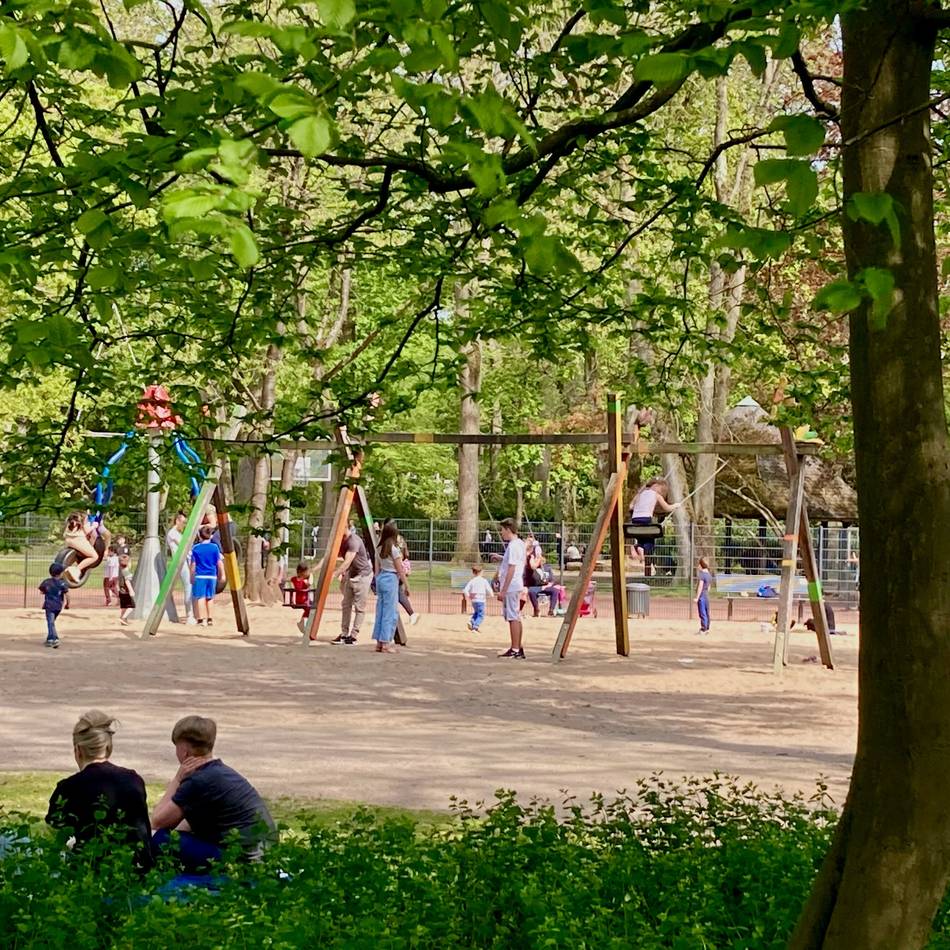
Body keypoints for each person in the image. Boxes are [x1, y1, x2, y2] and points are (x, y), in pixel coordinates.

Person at [151, 715, 276, 871]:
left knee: (159, 839)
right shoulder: (219, 772)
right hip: (266, 853)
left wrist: (177, 779)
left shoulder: (198, 780)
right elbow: (188, 822)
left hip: (244, 859)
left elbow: (157, 822)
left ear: (184, 751)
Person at [46, 710, 152, 869]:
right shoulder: (133, 780)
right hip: (136, 867)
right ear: (109, 748)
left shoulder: (68, 788)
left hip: (90, 868)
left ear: (78, 750)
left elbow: (54, 838)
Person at [330, 527, 373, 645]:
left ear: (345, 526)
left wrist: (335, 574)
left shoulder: (353, 541)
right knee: (346, 604)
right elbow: (331, 556)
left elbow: (348, 561)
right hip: (351, 574)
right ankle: (344, 634)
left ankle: (353, 636)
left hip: (363, 576)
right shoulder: (342, 541)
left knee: (359, 607)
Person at [628, 477, 677, 576]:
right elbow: (667, 508)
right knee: (650, 542)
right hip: (646, 519)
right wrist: (676, 505)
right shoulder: (656, 495)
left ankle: (637, 547)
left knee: (641, 538)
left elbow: (631, 506)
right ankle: (640, 548)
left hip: (635, 520)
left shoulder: (639, 495)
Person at [495, 518, 526, 659]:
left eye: (502, 530)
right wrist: (501, 559)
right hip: (516, 585)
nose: (501, 532)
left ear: (508, 529)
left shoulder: (513, 546)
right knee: (515, 616)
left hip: (511, 586)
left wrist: (504, 590)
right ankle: (517, 647)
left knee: (512, 617)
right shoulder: (519, 544)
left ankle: (515, 649)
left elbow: (512, 568)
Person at [372, 521, 405, 654]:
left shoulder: (379, 549)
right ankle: (386, 642)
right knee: (390, 612)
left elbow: (377, 569)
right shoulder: (394, 550)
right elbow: (400, 569)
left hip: (381, 578)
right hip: (391, 579)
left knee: (380, 610)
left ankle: (379, 642)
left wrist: (377, 582)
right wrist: (406, 585)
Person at [166, 510, 196, 625]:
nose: (184, 525)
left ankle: (191, 613)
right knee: (188, 585)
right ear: (177, 521)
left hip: (185, 560)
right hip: (180, 561)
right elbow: (185, 545)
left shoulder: (178, 533)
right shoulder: (173, 533)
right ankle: (189, 615)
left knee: (189, 585)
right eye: (183, 522)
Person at [190, 525, 224, 627]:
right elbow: (219, 562)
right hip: (212, 576)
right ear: (210, 535)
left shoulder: (196, 548)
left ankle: (201, 619)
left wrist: (191, 576)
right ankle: (210, 619)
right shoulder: (214, 547)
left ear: (199, 536)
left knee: (200, 597)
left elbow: (193, 564)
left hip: (200, 576)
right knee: (210, 597)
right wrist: (222, 574)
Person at [62, 511, 99, 583]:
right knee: (94, 556)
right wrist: (94, 526)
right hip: (78, 540)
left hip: (68, 540)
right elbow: (86, 531)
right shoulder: (82, 519)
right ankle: (76, 570)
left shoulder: (71, 520)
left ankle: (64, 571)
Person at [39, 562, 70, 648]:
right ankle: (50, 638)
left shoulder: (46, 582)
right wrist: (68, 604)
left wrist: (47, 591)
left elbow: (42, 591)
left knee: (50, 622)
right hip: (58, 606)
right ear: (60, 573)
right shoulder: (62, 583)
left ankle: (53, 639)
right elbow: (67, 595)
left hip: (49, 606)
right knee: (51, 622)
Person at [463, 564, 493, 632]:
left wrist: (469, 596)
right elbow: (489, 589)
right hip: (481, 600)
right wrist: (491, 595)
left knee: (476, 612)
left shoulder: (472, 581)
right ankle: (475, 627)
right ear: (481, 572)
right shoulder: (484, 581)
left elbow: (465, 590)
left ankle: (471, 621)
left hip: (474, 600)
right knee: (481, 615)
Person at [290, 562, 312, 634]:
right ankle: (302, 623)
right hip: (304, 600)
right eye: (306, 572)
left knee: (309, 609)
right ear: (301, 572)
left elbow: (292, 585)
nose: (307, 574)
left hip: (299, 600)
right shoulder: (304, 581)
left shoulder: (294, 579)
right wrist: (308, 579)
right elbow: (309, 584)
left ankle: (303, 622)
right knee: (310, 608)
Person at [695, 556, 712, 635]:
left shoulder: (702, 575)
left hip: (702, 596)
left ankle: (703, 629)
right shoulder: (709, 575)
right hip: (706, 595)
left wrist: (697, 597)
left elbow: (700, 587)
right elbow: (709, 587)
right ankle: (707, 628)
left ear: (701, 565)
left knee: (702, 612)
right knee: (707, 611)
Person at [118, 553, 136, 625]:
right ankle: (123, 618)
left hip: (121, 591)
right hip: (126, 592)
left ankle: (123, 619)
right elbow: (127, 581)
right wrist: (131, 590)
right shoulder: (126, 571)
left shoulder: (121, 571)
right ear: (128, 563)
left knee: (124, 607)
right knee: (131, 606)